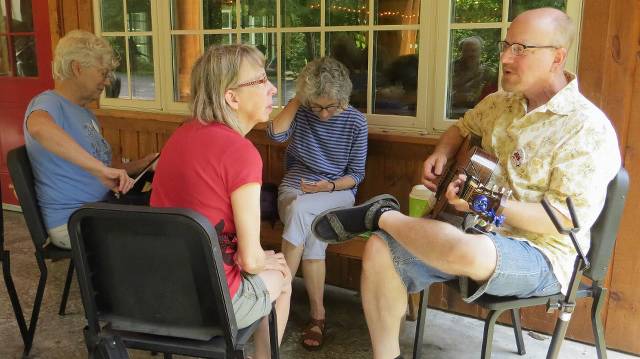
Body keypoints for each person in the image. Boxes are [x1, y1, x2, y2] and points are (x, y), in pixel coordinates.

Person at [310, 8, 621, 358]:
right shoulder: (498, 104)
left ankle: (380, 214)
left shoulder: (586, 128)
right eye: (506, 46)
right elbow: (462, 128)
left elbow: (563, 219)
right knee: (381, 250)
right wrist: (441, 153)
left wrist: (488, 205)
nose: (505, 57)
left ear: (556, 57)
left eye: (521, 49)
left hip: (542, 254)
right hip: (474, 230)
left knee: (462, 246)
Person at [150, 44, 291, 359]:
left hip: (159, 292)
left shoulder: (180, 137)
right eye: (261, 81)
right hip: (211, 301)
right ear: (232, 97)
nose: (273, 88)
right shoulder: (240, 154)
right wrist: (264, 260)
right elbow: (252, 261)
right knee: (283, 276)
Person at [267, 57, 368, 350]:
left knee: (301, 211)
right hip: (295, 187)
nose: (323, 114)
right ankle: (318, 317)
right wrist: (300, 99)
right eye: (318, 105)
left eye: (331, 106)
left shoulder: (355, 121)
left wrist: (329, 186)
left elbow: (356, 175)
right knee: (310, 226)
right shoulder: (303, 110)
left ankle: (278, 299)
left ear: (343, 98)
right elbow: (274, 134)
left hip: (337, 192)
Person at [23, 30, 157, 250]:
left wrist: (146, 163)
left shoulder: (86, 114)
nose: (107, 81)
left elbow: (111, 168)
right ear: (77, 68)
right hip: (74, 220)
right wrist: (98, 169)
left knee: (165, 206)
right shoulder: (48, 102)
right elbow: (39, 128)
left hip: (102, 206)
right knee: (164, 226)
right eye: (102, 73)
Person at [449, 36, 496, 118]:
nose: (470, 54)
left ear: (480, 52)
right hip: (453, 112)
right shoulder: (451, 68)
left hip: (479, 114)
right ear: (462, 52)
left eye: (473, 50)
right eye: (466, 51)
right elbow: (445, 93)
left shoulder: (487, 71)